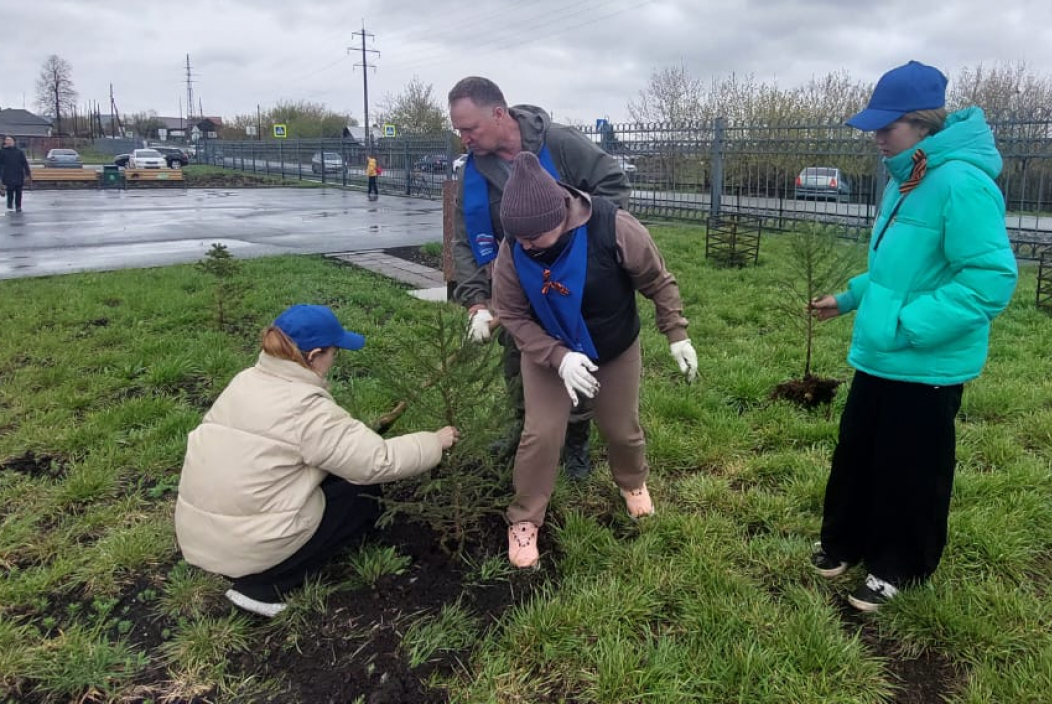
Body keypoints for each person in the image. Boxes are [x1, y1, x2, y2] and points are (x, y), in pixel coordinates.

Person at [808, 60, 1017, 612]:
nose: (877, 137)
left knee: (912, 470)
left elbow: (990, 280)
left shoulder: (962, 183)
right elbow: (897, 269)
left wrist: (909, 324)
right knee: (858, 454)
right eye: (874, 126)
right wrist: (849, 298)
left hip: (926, 362)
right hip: (880, 354)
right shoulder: (909, 179)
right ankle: (845, 542)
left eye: (888, 126)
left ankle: (899, 565)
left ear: (924, 124)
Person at [174, 304, 460, 617]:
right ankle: (265, 586)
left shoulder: (245, 381)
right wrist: (435, 441)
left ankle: (256, 565)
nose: (335, 359)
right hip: (248, 547)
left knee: (334, 475)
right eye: (334, 352)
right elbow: (378, 461)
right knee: (360, 494)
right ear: (313, 356)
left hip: (201, 535)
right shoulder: (306, 408)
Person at [490, 152, 697, 567]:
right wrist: (558, 357)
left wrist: (676, 333)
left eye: (534, 238)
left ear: (560, 217)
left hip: (613, 345)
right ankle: (525, 518)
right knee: (541, 434)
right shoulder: (514, 248)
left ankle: (633, 483)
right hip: (549, 351)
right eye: (519, 238)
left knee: (621, 429)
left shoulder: (613, 226)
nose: (526, 246)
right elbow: (510, 313)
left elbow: (657, 280)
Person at [449, 75, 631, 480]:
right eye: (459, 130)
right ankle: (524, 428)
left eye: (470, 128)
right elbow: (465, 239)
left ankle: (576, 442)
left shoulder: (560, 144)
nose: (464, 138)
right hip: (516, 286)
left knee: (576, 357)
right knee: (518, 358)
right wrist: (476, 302)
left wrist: (583, 242)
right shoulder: (474, 171)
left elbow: (613, 185)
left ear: (499, 114)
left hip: (572, 278)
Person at [1, 135, 32, 213]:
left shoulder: (19, 152)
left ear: (14, 141)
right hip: (7, 174)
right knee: (10, 190)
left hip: (18, 174)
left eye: (10, 140)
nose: (8, 141)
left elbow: (24, 163)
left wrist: (28, 174)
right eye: (7, 140)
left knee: (19, 191)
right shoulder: (2, 151)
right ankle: (9, 203)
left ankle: (18, 206)